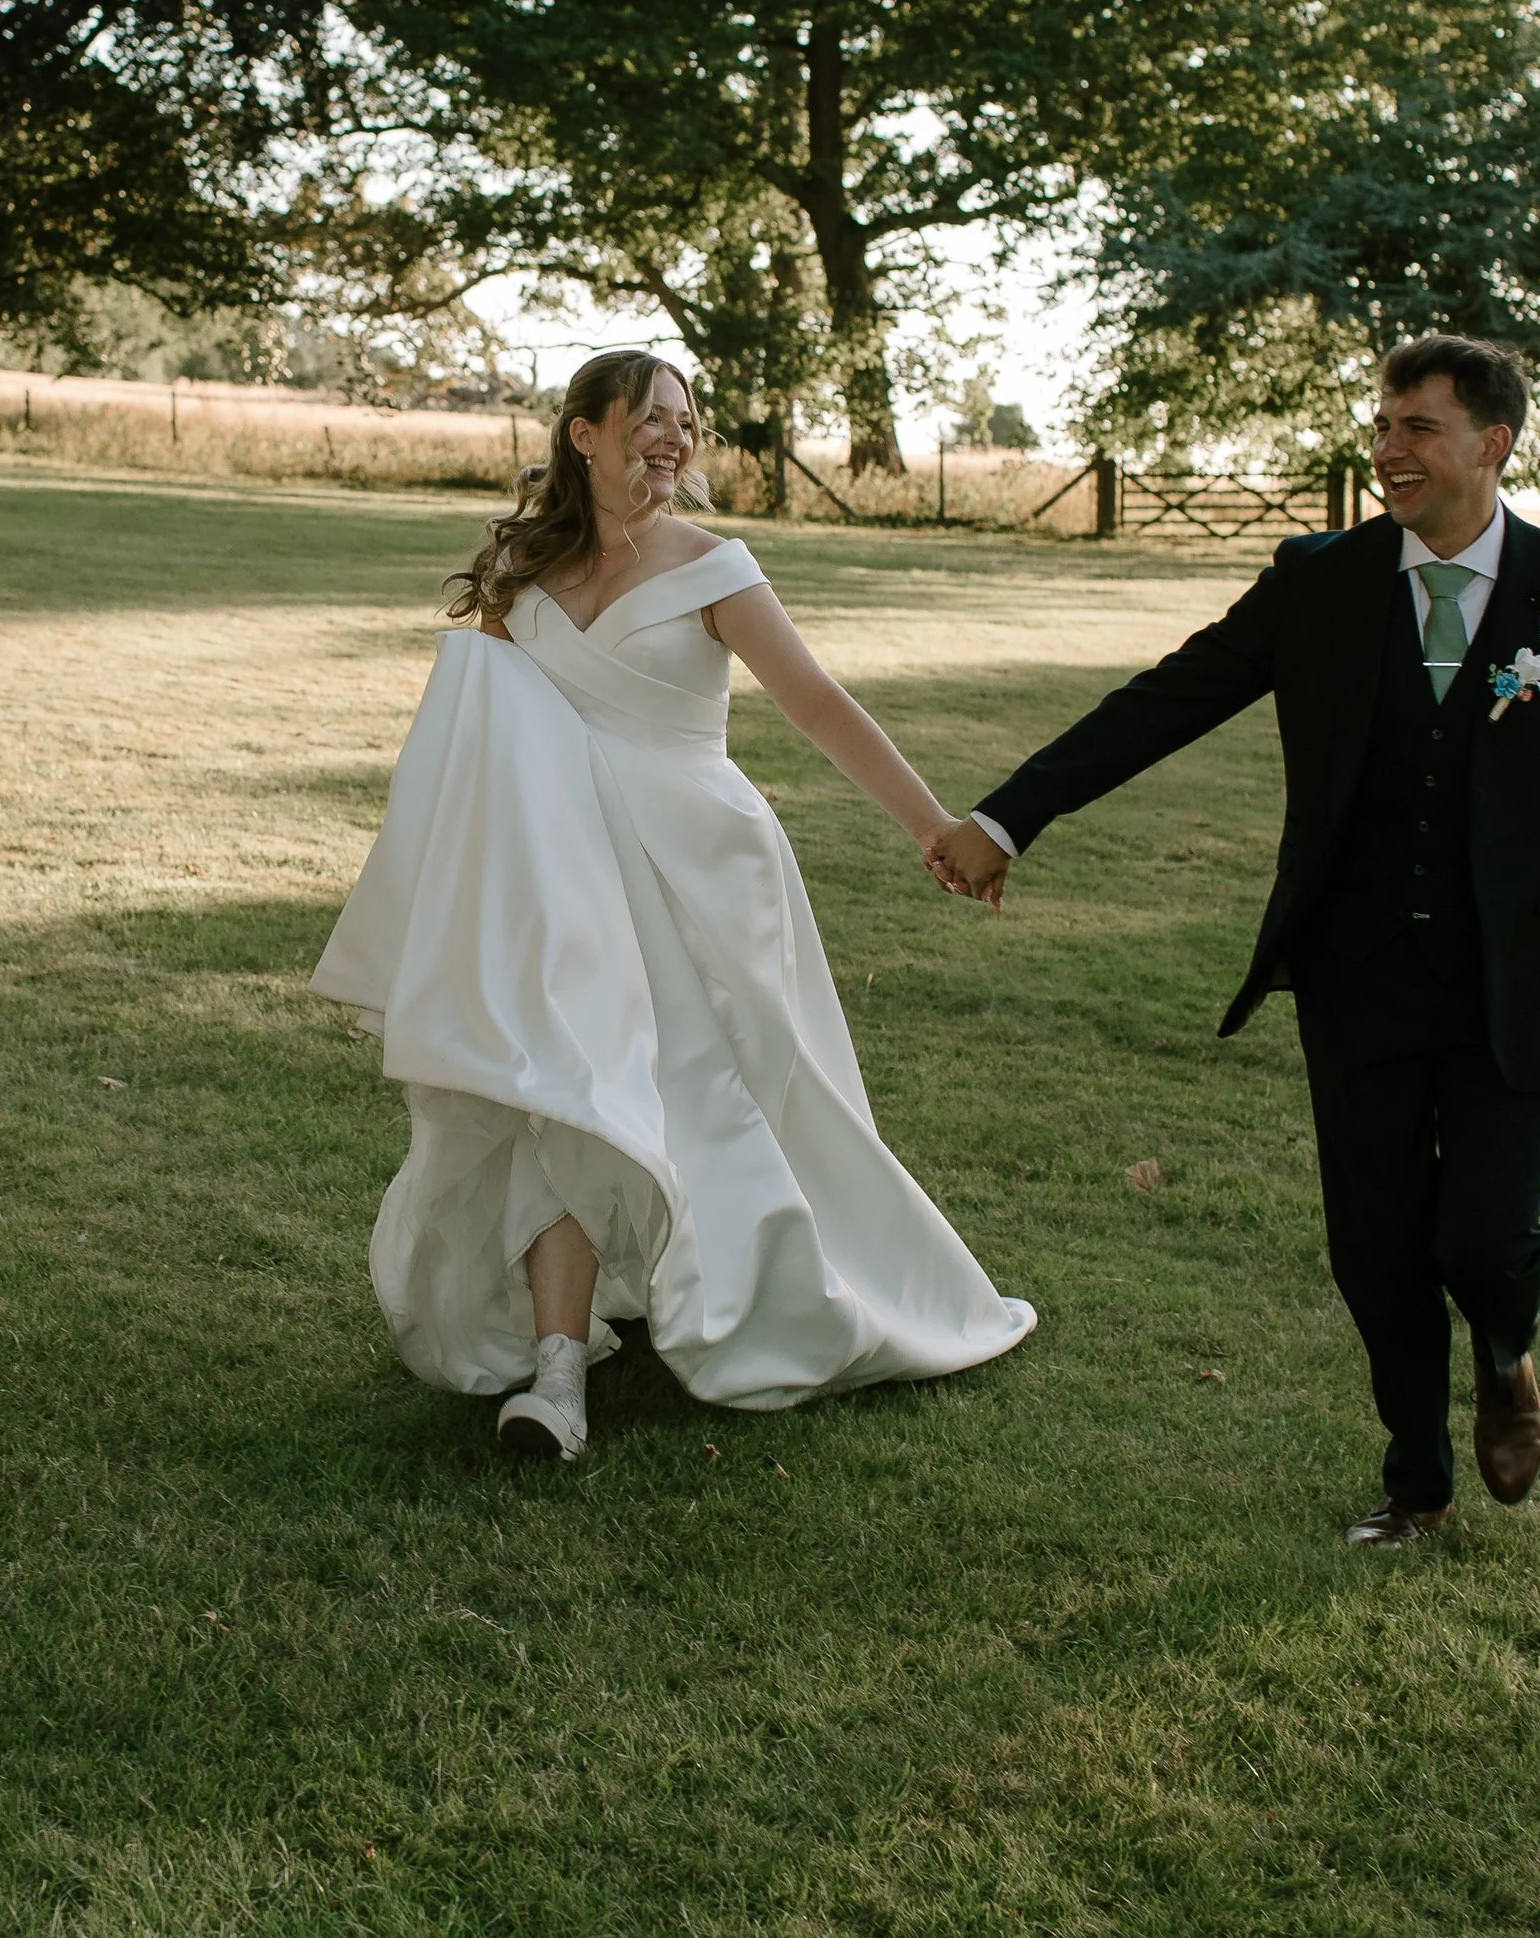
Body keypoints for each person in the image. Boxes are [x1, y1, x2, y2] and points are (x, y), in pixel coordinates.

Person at [931, 336, 1540, 1543]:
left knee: (1485, 1241)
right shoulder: (1318, 582)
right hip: (1354, 975)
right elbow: (1164, 701)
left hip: (1511, 983)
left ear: (1490, 445)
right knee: (1376, 1249)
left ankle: (1504, 1357)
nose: (1387, 449)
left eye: (1418, 428)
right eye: (1383, 423)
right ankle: (1416, 1483)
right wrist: (1006, 818)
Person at [312, 349, 1032, 1459]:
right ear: (584, 432)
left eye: (687, 424)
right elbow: (487, 732)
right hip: (560, 882)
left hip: (700, 873)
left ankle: (763, 1280)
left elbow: (815, 701)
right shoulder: (521, 565)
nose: (674, 438)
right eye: (650, 417)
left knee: (726, 1099)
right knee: (553, 1087)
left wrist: (934, 825)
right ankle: (556, 1375)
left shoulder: (714, 566)